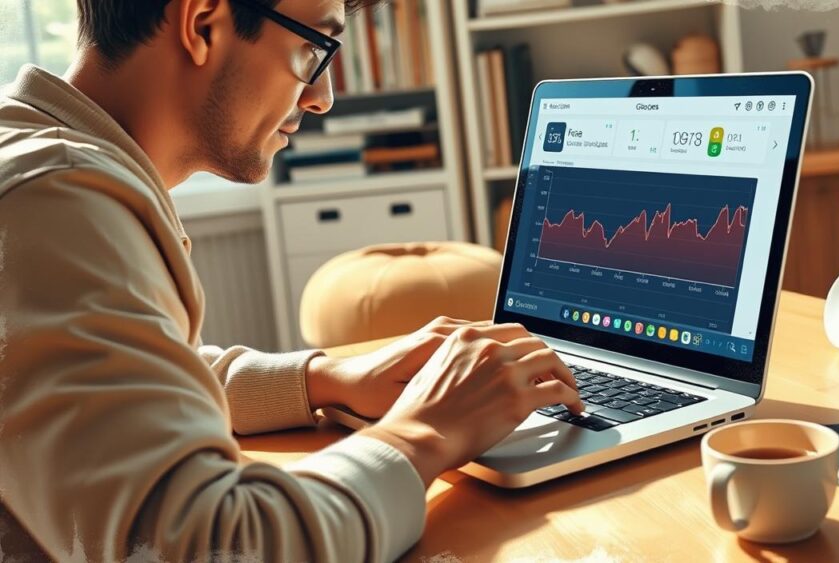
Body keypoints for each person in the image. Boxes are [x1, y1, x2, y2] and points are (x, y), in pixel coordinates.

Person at [0, 0, 584, 561]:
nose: (323, 96)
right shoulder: (58, 199)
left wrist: (325, 378)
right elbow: (215, 548)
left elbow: (131, 381)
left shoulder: (37, 162)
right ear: (202, 22)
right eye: (313, 48)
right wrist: (427, 433)